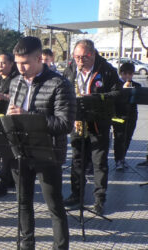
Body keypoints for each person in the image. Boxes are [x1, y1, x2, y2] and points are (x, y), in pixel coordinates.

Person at [7, 36, 75, 249]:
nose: (20, 68)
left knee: (54, 206)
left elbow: (65, 124)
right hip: (21, 150)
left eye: (25, 63)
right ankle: (27, 245)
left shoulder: (59, 83)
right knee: (23, 203)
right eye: (17, 63)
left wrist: (28, 116)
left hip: (48, 152)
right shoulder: (15, 82)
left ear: (39, 59)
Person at [62, 39, 122, 215]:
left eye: (84, 57)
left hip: (98, 122)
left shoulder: (107, 69)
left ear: (93, 54)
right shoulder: (71, 69)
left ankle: (99, 199)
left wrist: (97, 98)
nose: (80, 61)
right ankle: (76, 194)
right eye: (77, 57)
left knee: (99, 162)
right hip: (78, 122)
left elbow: (118, 92)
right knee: (77, 160)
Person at [0, 53, 19, 197]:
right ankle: (11, 180)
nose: (0, 66)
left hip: (12, 119)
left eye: (3, 63)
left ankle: (3, 184)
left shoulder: (16, 78)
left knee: (7, 153)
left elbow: (20, 97)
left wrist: (3, 96)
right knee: (5, 152)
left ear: (11, 63)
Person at [113, 62, 141, 170]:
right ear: (121, 73)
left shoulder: (136, 85)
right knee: (119, 137)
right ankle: (118, 160)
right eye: (126, 74)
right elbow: (115, 100)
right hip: (118, 115)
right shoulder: (116, 85)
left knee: (128, 137)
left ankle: (122, 158)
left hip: (132, 115)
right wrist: (124, 89)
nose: (128, 76)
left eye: (130, 74)